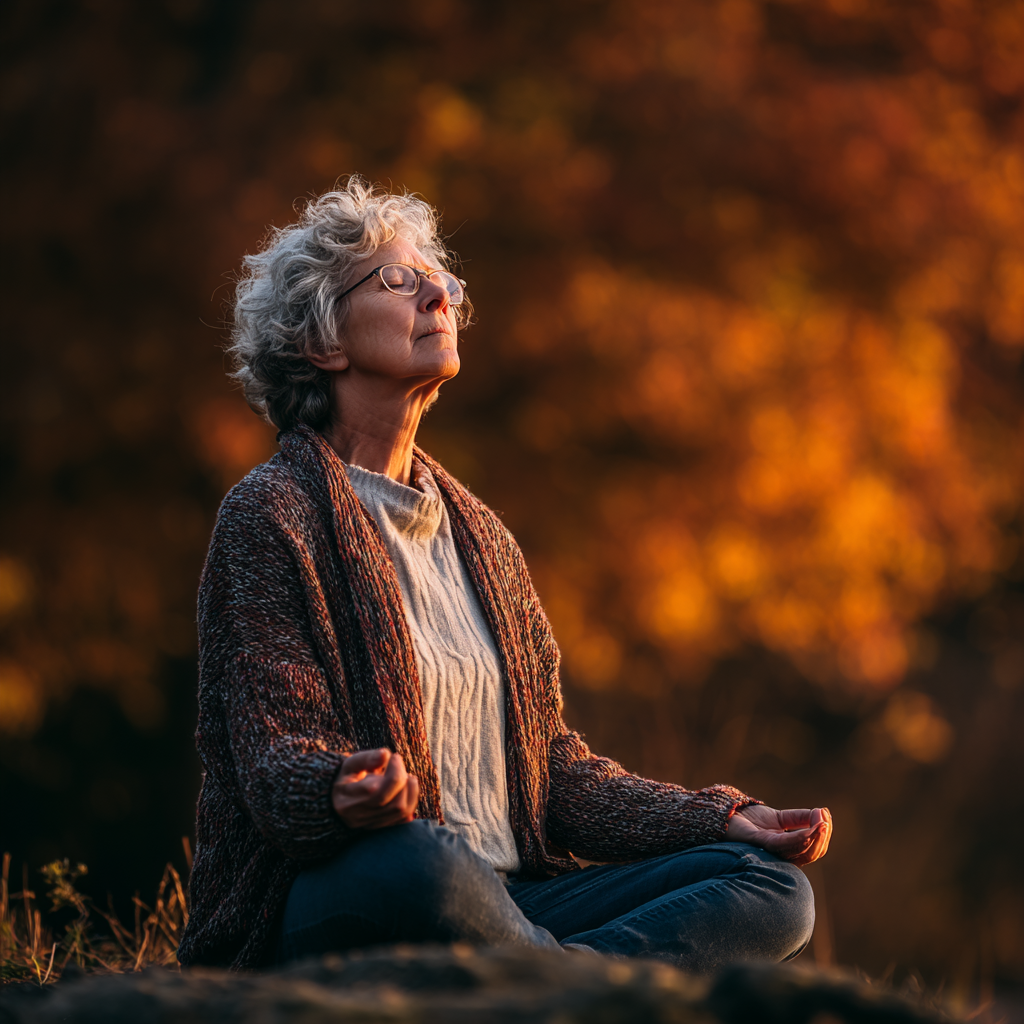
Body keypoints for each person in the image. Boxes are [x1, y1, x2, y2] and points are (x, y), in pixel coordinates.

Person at [177, 177, 832, 973]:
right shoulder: (271, 514)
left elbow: (553, 774)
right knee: (423, 861)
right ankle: (581, 981)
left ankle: (541, 977)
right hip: (354, 889)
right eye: (397, 278)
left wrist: (717, 819)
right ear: (321, 342)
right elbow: (269, 756)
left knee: (768, 887)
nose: (437, 295)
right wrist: (340, 789)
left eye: (442, 281)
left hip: (510, 903)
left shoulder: (481, 536)